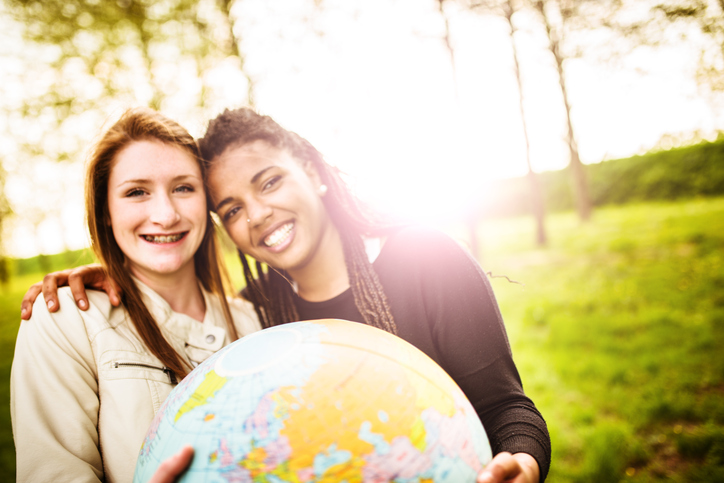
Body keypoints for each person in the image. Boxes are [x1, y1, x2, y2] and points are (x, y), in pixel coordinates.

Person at [23, 108, 551, 483]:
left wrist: (522, 462)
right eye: (230, 208)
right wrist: (109, 269)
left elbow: (506, 406)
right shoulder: (263, 314)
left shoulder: (421, 259)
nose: (255, 215)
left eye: (269, 183)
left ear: (315, 174)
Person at [11, 108, 261, 483]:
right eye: (137, 192)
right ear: (106, 211)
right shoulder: (63, 319)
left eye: (183, 188)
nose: (165, 214)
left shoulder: (255, 322)